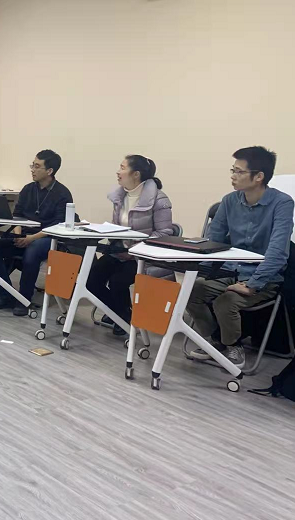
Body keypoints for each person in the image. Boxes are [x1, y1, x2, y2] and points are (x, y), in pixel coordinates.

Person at [187, 146, 294, 368]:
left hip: (263, 277)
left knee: (226, 302)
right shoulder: (229, 201)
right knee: (191, 291)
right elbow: (213, 242)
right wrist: (203, 271)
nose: (233, 176)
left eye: (239, 171)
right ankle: (215, 340)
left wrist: (253, 284)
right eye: (232, 170)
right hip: (229, 270)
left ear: (259, 176)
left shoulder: (282, 203)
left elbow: (277, 252)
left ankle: (233, 346)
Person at [86, 156, 173, 336]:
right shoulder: (120, 197)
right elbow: (118, 227)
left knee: (118, 281)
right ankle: (120, 313)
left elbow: (164, 234)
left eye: (122, 168)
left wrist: (135, 250)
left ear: (136, 174)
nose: (118, 172)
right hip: (120, 252)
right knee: (91, 279)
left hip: (143, 257)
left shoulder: (159, 199)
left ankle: (123, 318)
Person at [0, 150, 76, 316]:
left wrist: (31, 238)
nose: (32, 170)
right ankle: (6, 295)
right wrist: (19, 235)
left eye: (37, 166)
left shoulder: (62, 194)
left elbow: (58, 225)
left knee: (33, 250)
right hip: (26, 235)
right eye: (32, 165)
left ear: (49, 171)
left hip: (49, 238)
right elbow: (17, 216)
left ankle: (24, 299)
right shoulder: (28, 189)